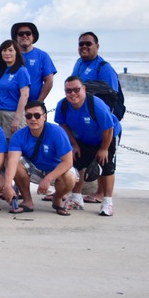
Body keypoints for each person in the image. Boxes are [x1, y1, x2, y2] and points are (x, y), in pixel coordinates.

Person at [55, 76, 121, 216]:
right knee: (78, 163)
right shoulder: (63, 106)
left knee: (107, 166)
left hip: (106, 137)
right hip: (82, 138)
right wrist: (74, 144)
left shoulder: (97, 105)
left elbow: (108, 128)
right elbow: (63, 124)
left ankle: (107, 202)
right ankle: (76, 197)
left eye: (76, 90)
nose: (73, 94)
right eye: (68, 91)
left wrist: (104, 149)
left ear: (83, 89)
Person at [3, 101, 77, 216]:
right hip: (35, 169)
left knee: (70, 178)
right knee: (13, 162)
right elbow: (12, 162)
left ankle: (57, 198)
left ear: (44, 116)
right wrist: (7, 185)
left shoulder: (57, 132)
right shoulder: (18, 136)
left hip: (56, 170)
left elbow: (68, 162)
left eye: (37, 115)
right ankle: (27, 201)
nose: (33, 119)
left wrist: (48, 179)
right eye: (29, 116)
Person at [0, 39, 30, 140]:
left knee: (13, 148)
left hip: (13, 114)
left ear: (16, 52)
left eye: (10, 50)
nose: (7, 53)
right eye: (4, 50)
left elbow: (25, 95)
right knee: (0, 146)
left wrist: (17, 119)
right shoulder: (3, 70)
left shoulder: (22, 71)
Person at [11, 22, 56, 102]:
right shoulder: (10, 55)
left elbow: (49, 81)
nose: (24, 36)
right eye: (21, 34)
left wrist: (39, 102)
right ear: (16, 37)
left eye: (28, 33)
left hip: (34, 106)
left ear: (33, 37)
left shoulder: (42, 55)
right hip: (12, 105)